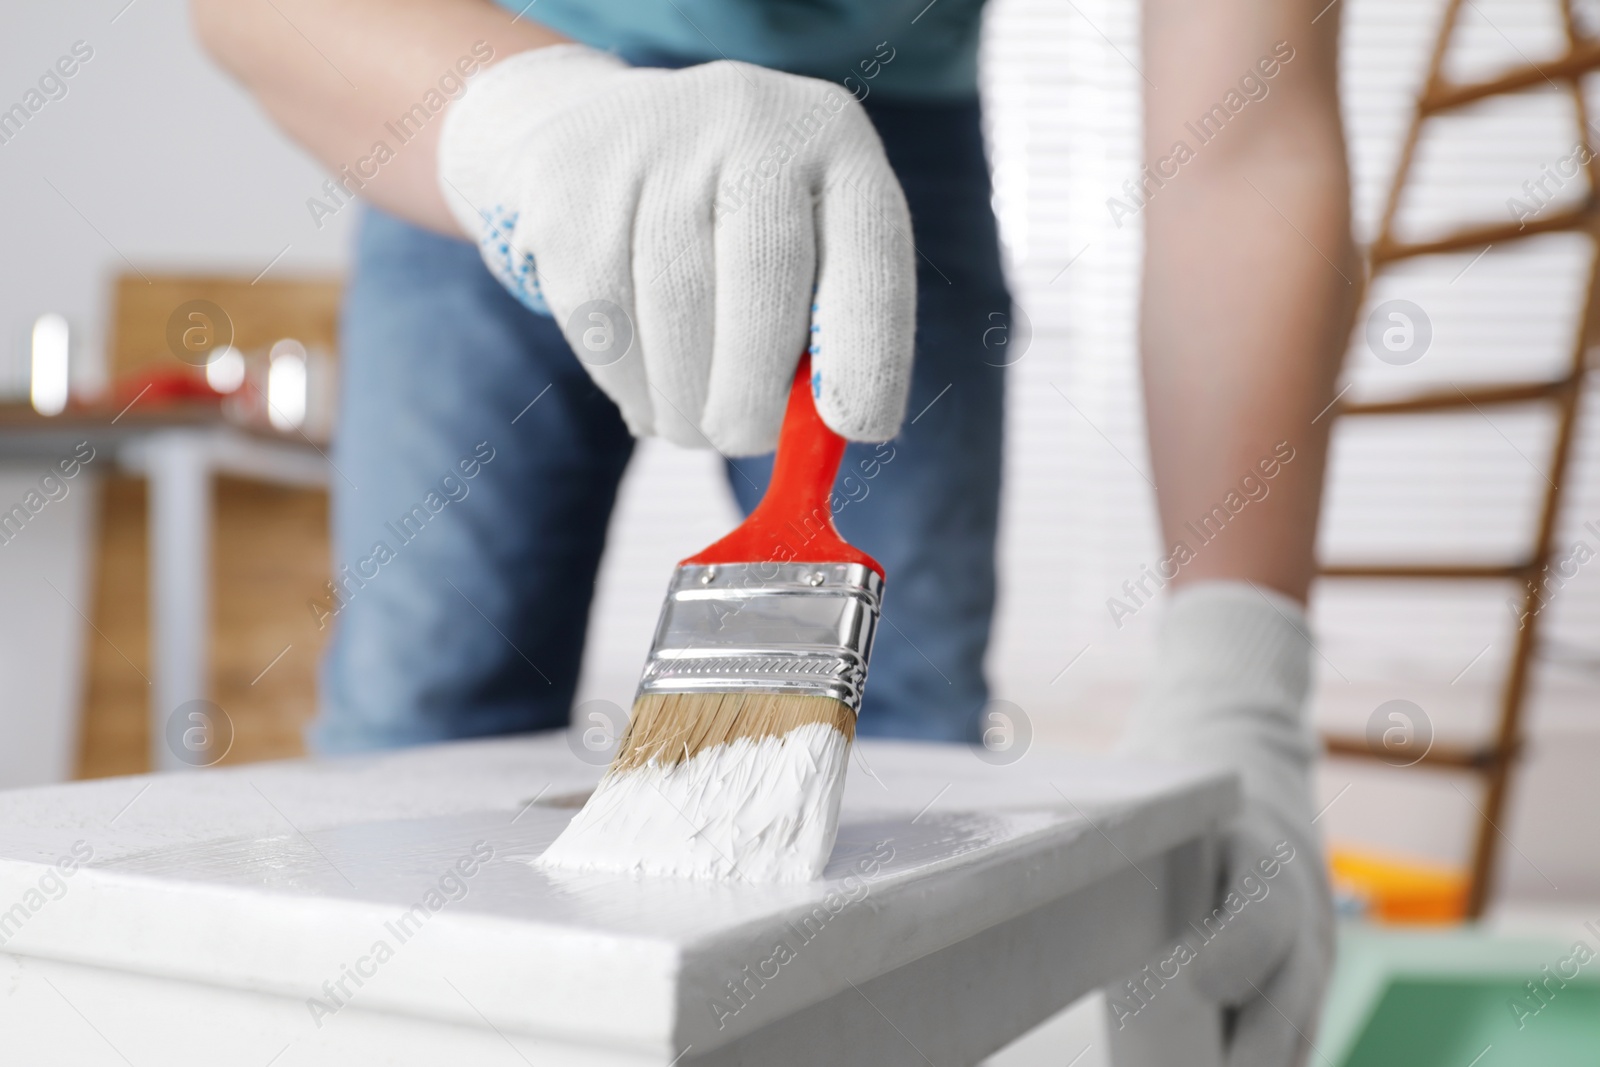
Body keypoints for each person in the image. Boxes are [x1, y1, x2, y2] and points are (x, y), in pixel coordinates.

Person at [195, 1, 1353, 1063]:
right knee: (421, 730)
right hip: (477, 61)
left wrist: (1235, 683)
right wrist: (527, 118)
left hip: (897, 118)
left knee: (911, 782)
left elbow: (1242, 138)